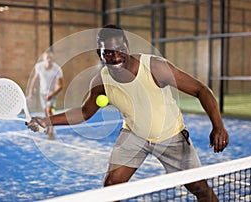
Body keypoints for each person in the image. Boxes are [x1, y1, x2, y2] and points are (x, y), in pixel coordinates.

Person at [27, 25, 229, 201]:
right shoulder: (101, 81)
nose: (115, 57)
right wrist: (47, 120)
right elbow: (84, 112)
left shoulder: (155, 68)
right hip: (134, 135)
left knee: (199, 189)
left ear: (127, 47)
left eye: (120, 49)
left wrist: (218, 125)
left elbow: (201, 90)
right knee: (112, 186)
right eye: (108, 52)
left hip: (170, 135)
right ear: (100, 54)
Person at [27, 50, 63, 140]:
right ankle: (48, 126)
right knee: (46, 111)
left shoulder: (57, 69)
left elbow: (60, 86)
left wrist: (51, 95)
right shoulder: (39, 67)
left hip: (53, 92)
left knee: (49, 109)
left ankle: (51, 131)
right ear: (44, 59)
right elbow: (35, 79)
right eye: (47, 57)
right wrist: (31, 91)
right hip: (42, 93)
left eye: (51, 57)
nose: (49, 59)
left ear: (53, 58)